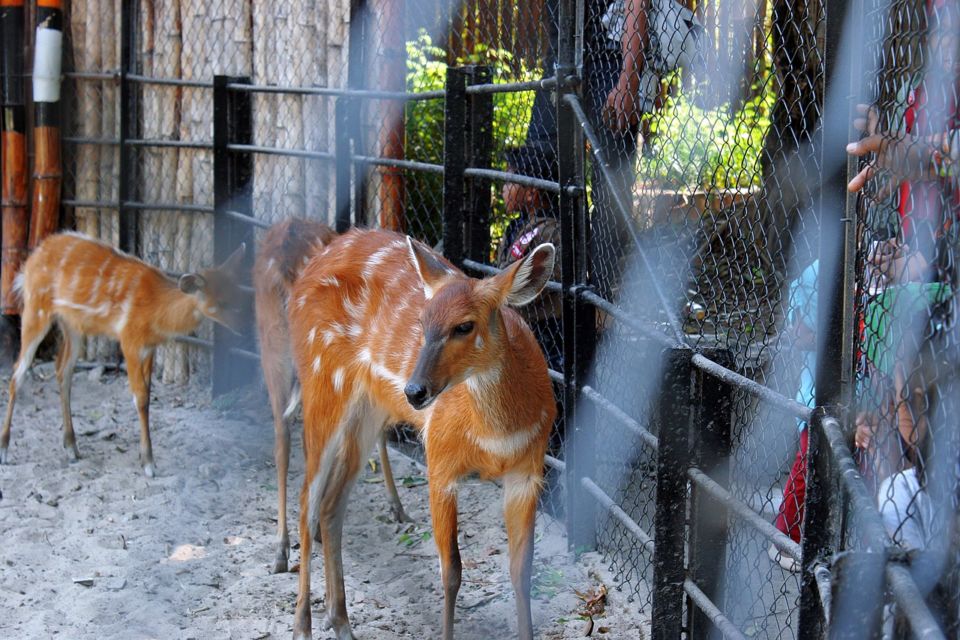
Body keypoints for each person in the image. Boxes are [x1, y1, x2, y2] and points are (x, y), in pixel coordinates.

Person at [768, 258, 818, 573]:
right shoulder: (816, 272)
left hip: (838, 393)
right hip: (815, 394)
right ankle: (785, 539)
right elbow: (799, 334)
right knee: (806, 467)